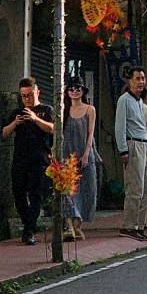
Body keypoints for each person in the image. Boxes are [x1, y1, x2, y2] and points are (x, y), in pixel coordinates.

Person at [2, 77, 54, 246]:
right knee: (19, 195)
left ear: (37, 93)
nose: (27, 99)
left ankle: (29, 231)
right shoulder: (16, 112)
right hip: (20, 159)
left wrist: (35, 119)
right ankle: (28, 224)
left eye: (30, 95)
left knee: (36, 195)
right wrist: (15, 123)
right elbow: (4, 133)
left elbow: (53, 129)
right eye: (23, 96)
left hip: (39, 159)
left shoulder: (46, 110)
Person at [114, 65, 147, 241]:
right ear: (130, 81)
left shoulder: (139, 101)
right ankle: (129, 225)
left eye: (143, 78)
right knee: (134, 188)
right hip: (133, 145)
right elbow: (119, 127)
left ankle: (140, 224)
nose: (141, 82)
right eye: (137, 78)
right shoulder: (124, 100)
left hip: (145, 145)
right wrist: (123, 150)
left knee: (145, 189)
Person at [61, 81, 98, 240]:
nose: (74, 92)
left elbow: (90, 133)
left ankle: (78, 225)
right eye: (71, 89)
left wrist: (86, 153)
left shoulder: (90, 109)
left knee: (88, 189)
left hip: (85, 151)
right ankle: (69, 226)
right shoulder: (64, 110)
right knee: (67, 189)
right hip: (67, 152)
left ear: (83, 91)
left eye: (78, 89)